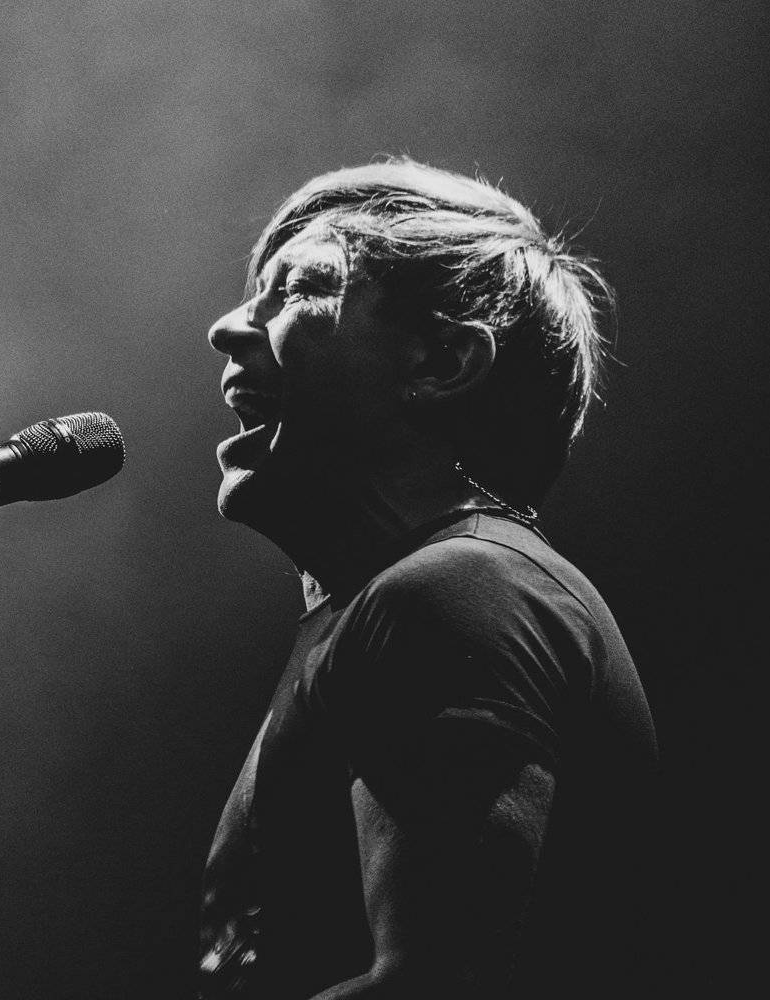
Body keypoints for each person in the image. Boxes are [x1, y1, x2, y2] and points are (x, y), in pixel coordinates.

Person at [197, 159, 658, 999]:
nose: (227, 329)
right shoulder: (389, 601)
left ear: (443, 362)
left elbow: (433, 987)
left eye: (299, 289)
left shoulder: (458, 590)